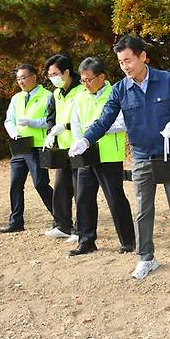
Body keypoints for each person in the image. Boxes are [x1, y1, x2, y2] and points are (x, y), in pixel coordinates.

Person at [70, 35, 170, 279]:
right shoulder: (119, 90)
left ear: (143, 57)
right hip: (141, 155)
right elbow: (104, 119)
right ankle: (146, 257)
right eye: (120, 62)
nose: (125, 66)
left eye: (128, 60)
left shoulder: (167, 80)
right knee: (143, 209)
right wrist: (86, 139)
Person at [68, 56, 135, 256]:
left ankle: (128, 240)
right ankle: (86, 241)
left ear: (102, 76)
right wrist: (80, 142)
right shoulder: (79, 98)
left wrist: (97, 129)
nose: (85, 84)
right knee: (83, 198)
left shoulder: (116, 93)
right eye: (82, 80)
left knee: (115, 198)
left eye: (89, 79)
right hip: (86, 155)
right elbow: (76, 125)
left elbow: (124, 122)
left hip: (108, 154)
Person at [0, 64, 55, 233]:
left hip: (37, 145)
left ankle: (60, 217)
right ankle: (16, 221)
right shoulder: (16, 98)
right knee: (15, 183)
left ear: (34, 76)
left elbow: (51, 120)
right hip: (19, 146)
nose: (21, 82)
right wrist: (13, 132)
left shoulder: (48, 96)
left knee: (40, 183)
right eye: (18, 79)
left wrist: (33, 123)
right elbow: (9, 120)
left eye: (23, 77)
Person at [43, 54, 86, 242]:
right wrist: (51, 132)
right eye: (50, 75)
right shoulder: (56, 93)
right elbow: (50, 117)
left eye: (55, 74)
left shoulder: (82, 90)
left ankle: (80, 229)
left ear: (67, 72)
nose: (52, 78)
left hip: (80, 146)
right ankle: (63, 225)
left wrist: (66, 126)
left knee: (81, 189)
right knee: (61, 187)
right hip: (62, 147)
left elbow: (86, 118)